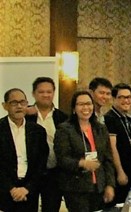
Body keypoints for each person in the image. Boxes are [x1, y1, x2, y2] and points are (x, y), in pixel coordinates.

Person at [54, 91, 116, 211]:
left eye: (88, 103)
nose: (85, 107)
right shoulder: (65, 129)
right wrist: (81, 163)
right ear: (74, 108)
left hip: (99, 187)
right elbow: (62, 159)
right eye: (81, 104)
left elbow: (108, 159)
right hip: (76, 188)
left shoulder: (100, 128)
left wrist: (110, 185)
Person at [0, 88, 49, 212]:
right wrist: (11, 189)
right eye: (14, 103)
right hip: (4, 191)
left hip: (30, 190)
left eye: (23, 102)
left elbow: (41, 163)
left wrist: (27, 188)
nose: (19, 106)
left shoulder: (38, 131)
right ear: (4, 106)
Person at [24, 77, 67, 212]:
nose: (46, 95)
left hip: (53, 173)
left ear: (54, 93)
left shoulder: (62, 117)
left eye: (49, 91)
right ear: (33, 94)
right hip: (29, 174)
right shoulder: (25, 115)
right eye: (41, 92)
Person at [104, 83, 131, 206]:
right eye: (122, 97)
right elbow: (112, 148)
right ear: (114, 99)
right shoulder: (109, 119)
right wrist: (120, 171)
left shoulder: (130, 120)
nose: (126, 100)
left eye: (129, 97)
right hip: (119, 171)